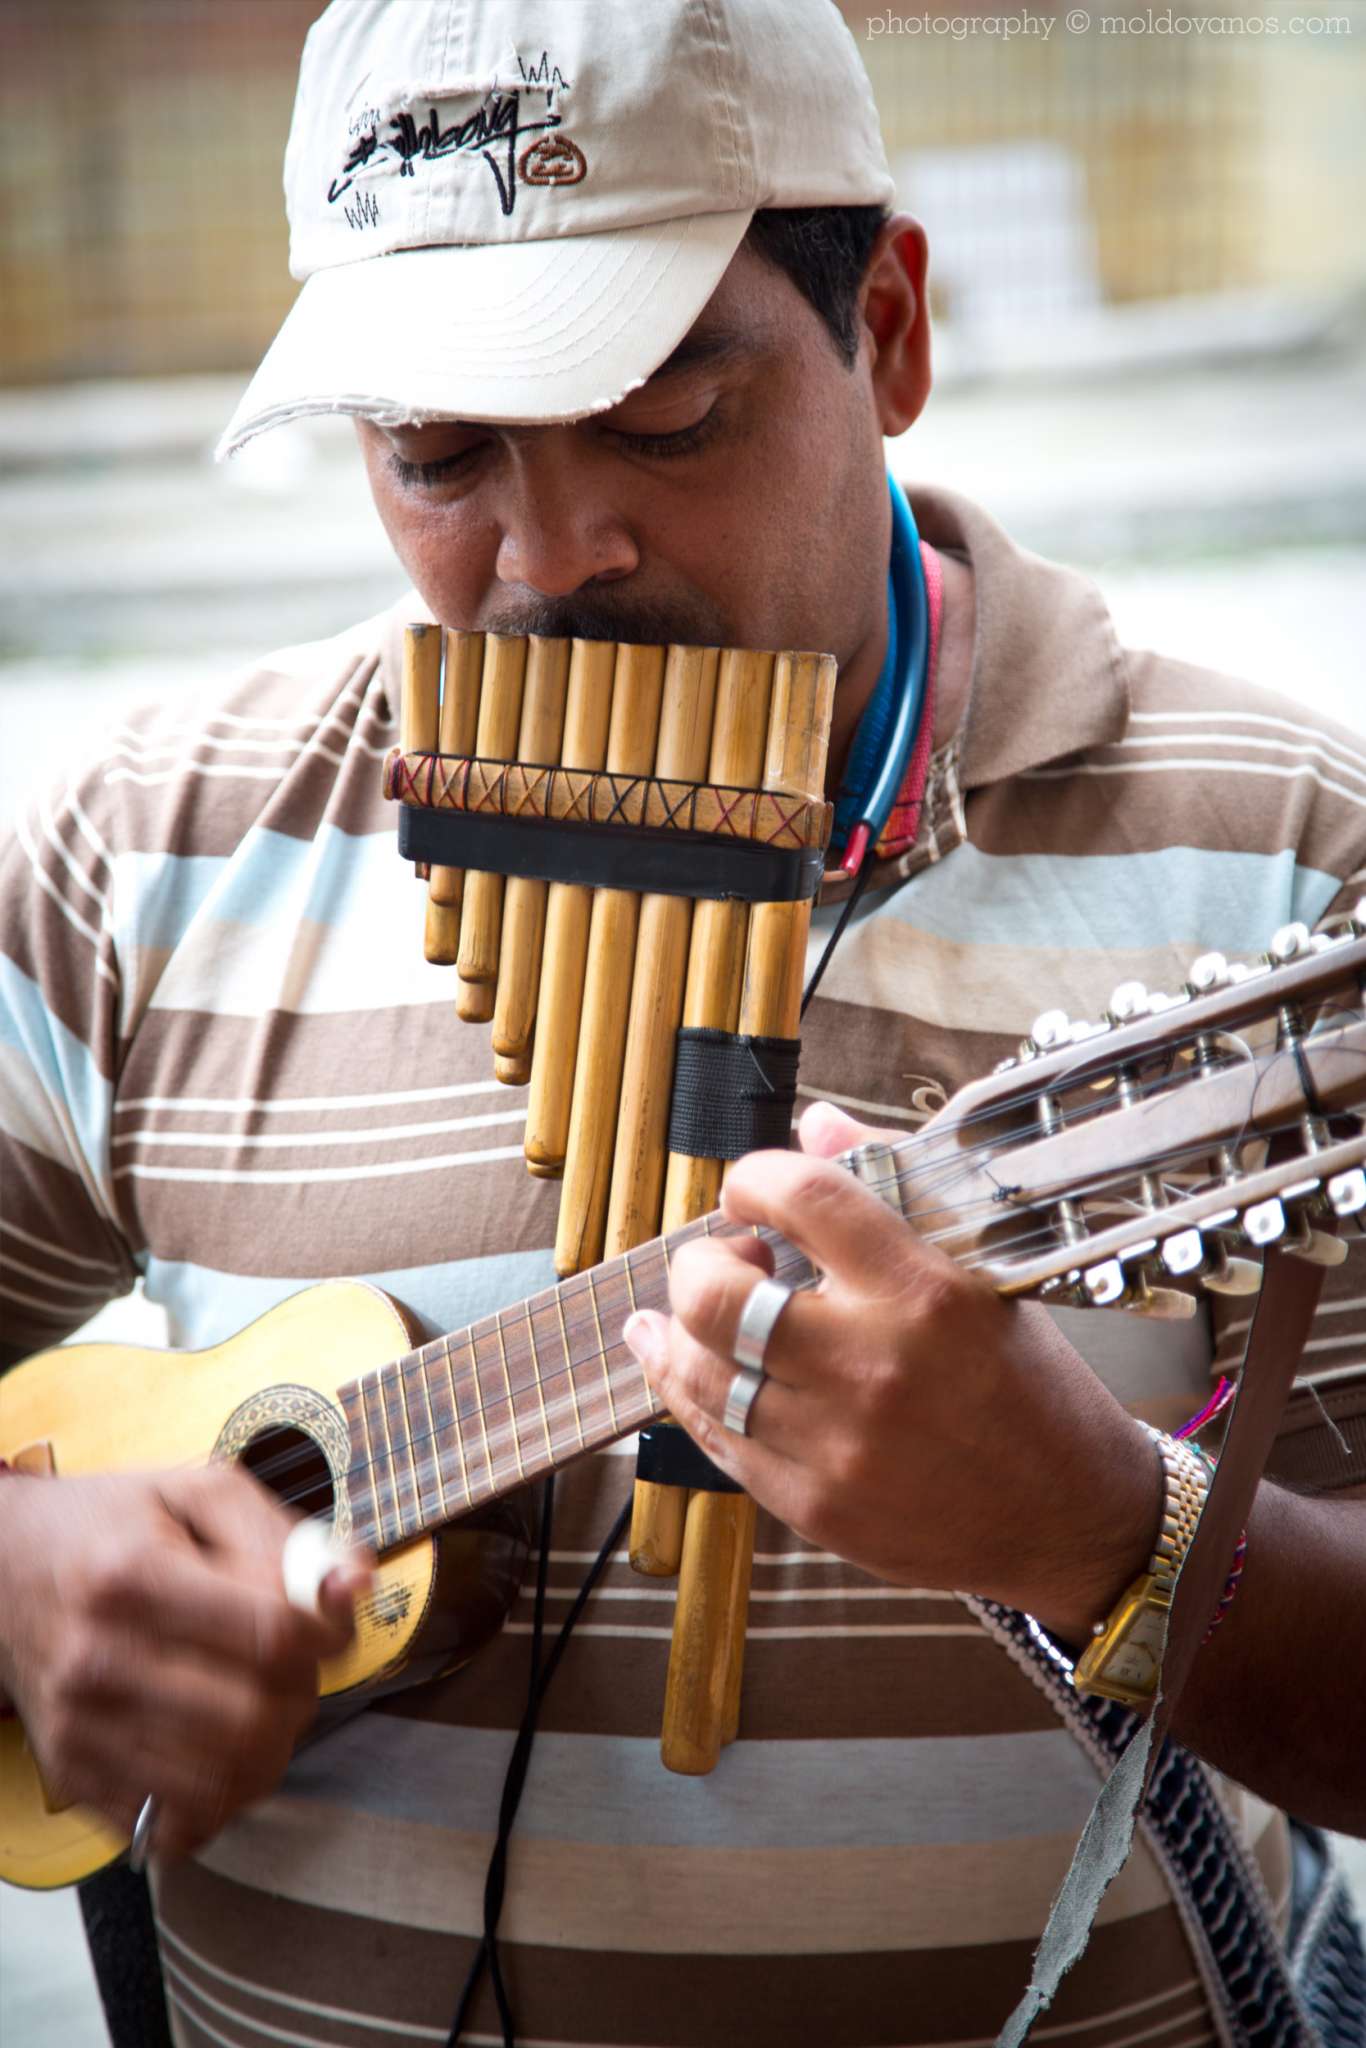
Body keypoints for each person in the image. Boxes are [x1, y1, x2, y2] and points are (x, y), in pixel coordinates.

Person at [2, 2, 1365, 2043]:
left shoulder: (1279, 849)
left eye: (663, 418)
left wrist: (1112, 1536)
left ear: (885, 331)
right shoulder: (151, 845)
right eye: (434, 452)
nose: (551, 558)